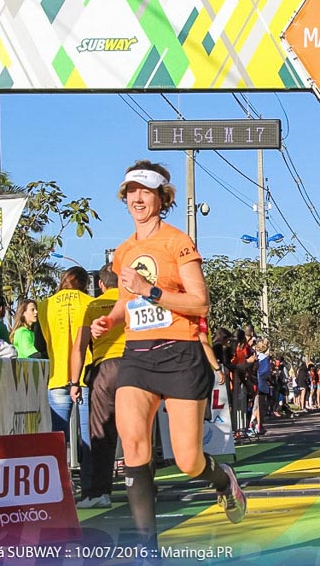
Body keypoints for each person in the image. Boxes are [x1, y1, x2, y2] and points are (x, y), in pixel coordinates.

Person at [89, 161, 246, 546]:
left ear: (162, 197)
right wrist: (109, 320)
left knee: (188, 461)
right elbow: (126, 301)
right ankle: (148, 551)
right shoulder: (124, 250)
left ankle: (223, 479)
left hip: (180, 355)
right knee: (135, 449)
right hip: (137, 356)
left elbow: (200, 304)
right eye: (131, 191)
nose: (137, 198)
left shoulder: (179, 242)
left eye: (145, 191)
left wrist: (151, 290)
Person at [38, 266, 94, 499]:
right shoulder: (90, 303)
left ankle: (58, 489)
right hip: (85, 376)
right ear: (84, 283)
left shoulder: (45, 305)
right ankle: (92, 489)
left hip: (57, 375)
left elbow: (41, 345)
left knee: (58, 438)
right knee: (88, 437)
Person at [70, 264, 123, 509]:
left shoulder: (93, 306)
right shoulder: (132, 300)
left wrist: (74, 381)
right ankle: (145, 488)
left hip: (105, 370)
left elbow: (80, 346)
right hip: (135, 366)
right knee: (140, 430)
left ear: (101, 284)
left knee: (101, 432)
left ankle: (99, 493)